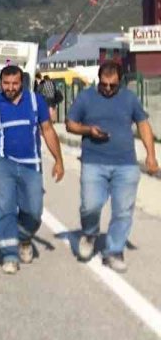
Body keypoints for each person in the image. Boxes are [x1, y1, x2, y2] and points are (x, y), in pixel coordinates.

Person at [65, 61, 159, 271]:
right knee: (90, 205)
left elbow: (143, 124)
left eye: (112, 85)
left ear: (120, 82)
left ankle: (114, 251)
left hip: (125, 164)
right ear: (99, 80)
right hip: (93, 163)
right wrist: (89, 131)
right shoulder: (86, 97)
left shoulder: (129, 98)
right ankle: (89, 234)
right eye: (104, 84)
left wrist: (151, 156)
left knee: (123, 211)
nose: (107, 89)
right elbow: (70, 124)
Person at [0, 65, 65, 275]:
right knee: (4, 208)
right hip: (2, 163)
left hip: (31, 164)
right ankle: (10, 255)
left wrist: (58, 160)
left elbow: (48, 130)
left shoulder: (35, 101)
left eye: (15, 83)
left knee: (34, 210)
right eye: (6, 83)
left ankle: (24, 238)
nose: (10, 88)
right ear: (1, 82)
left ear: (21, 82)